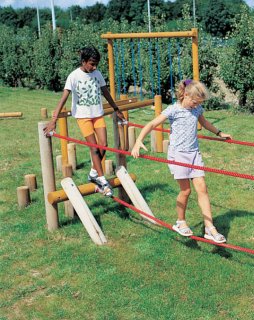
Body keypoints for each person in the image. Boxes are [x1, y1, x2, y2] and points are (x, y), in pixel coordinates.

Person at [131, 79, 230, 243]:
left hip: (194, 154)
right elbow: (152, 123)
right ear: (185, 95)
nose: (195, 105)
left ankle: (209, 228)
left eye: (198, 103)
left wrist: (219, 133)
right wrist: (138, 141)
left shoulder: (197, 109)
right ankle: (180, 222)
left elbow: (204, 123)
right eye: (194, 102)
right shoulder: (173, 110)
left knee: (202, 188)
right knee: (186, 191)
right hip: (178, 155)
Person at [44, 46, 126, 197]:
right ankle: (102, 180)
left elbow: (105, 92)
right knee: (94, 147)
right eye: (91, 64)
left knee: (103, 145)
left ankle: (93, 173)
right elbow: (64, 98)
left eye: (96, 64)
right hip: (83, 116)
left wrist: (116, 109)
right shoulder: (73, 76)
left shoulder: (97, 74)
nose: (94, 67)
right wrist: (53, 120)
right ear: (83, 61)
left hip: (97, 114)